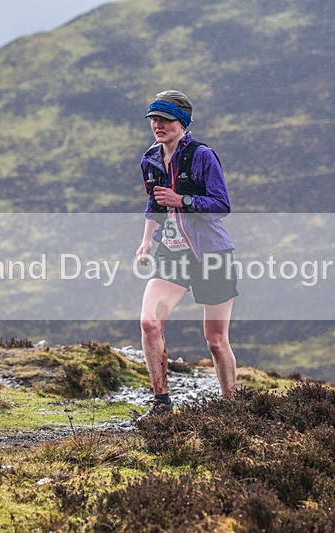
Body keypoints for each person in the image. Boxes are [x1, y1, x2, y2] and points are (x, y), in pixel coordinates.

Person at [136, 90, 238, 418]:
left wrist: (184, 201)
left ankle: (230, 406)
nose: (157, 124)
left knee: (215, 341)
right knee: (150, 323)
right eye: (154, 118)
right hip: (173, 253)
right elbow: (154, 205)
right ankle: (161, 403)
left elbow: (222, 205)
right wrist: (147, 242)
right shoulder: (149, 159)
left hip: (212, 254)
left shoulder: (202, 155)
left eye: (164, 118)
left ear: (181, 122)